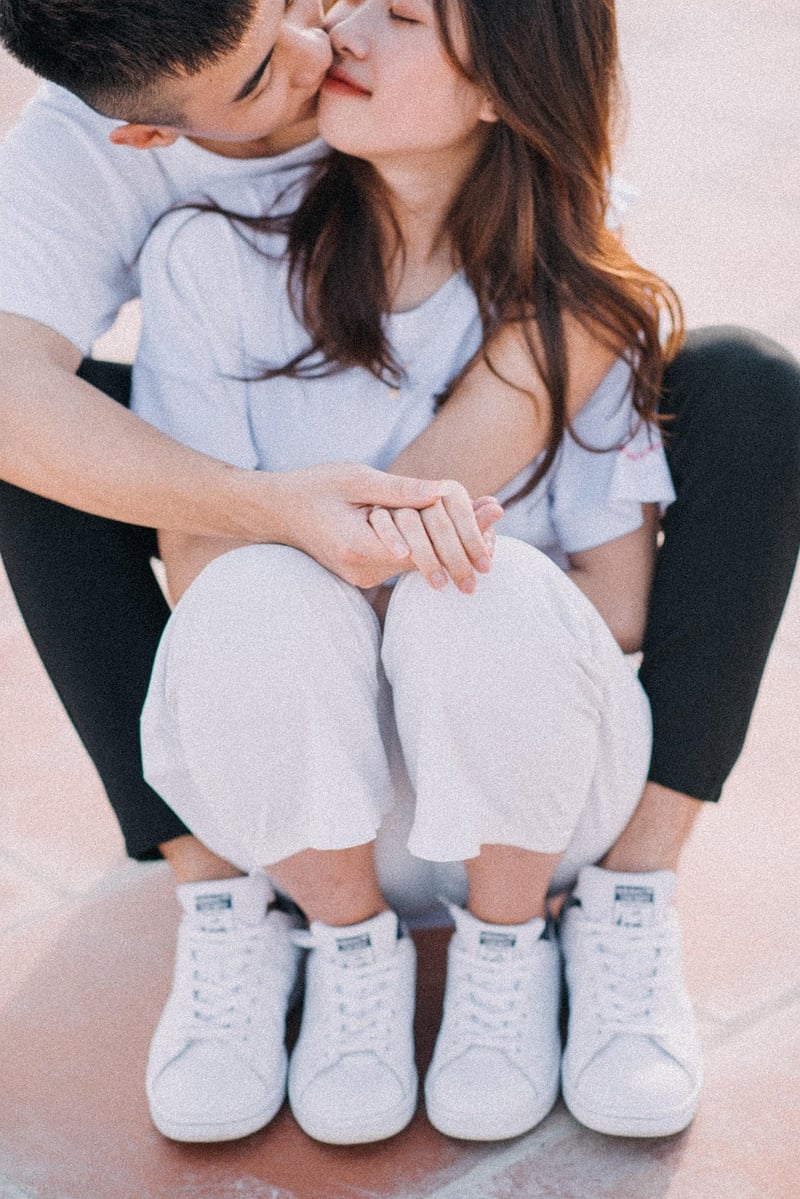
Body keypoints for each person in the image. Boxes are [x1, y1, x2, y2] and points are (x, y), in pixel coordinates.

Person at [0, 0, 797, 1144]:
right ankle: (256, 912)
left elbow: (609, 581)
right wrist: (312, 534)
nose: (329, 46)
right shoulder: (191, 237)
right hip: (306, 773)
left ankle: (599, 912)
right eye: (263, 76)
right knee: (60, 465)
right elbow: (153, 526)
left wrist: (427, 556)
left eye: (317, 12)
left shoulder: (510, 204)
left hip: (516, 776)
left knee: (721, 402)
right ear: (152, 134)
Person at [130, 0, 680, 1145]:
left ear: (500, 88)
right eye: (346, 1)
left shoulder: (579, 293)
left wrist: (434, 580)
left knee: (483, 583)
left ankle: (506, 952)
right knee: (258, 590)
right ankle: (346, 954)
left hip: (521, 799)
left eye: (399, 15)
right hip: (300, 796)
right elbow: (194, 564)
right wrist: (380, 550)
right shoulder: (209, 255)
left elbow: (616, 600)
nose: (342, 35)